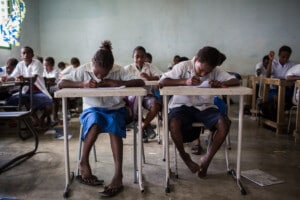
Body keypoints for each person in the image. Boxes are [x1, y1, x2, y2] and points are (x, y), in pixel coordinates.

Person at [58, 40, 144, 197]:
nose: (99, 77)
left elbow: (140, 81)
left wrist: (117, 82)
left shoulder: (118, 70)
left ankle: (118, 175)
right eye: (97, 73)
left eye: (104, 74)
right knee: (95, 121)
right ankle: (83, 162)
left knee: (114, 124)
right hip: (92, 109)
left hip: (115, 109)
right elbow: (61, 83)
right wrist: (83, 84)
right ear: (92, 64)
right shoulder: (84, 69)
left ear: (111, 67)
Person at [159, 46, 240, 178]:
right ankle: (184, 156)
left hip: (205, 107)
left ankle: (207, 159)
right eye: (201, 70)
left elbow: (235, 80)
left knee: (224, 123)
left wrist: (220, 83)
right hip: (182, 106)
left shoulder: (215, 71)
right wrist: (185, 81)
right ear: (196, 59)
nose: (203, 74)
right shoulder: (183, 66)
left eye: (207, 72)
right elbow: (163, 81)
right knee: (173, 123)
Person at [6, 47, 53, 128]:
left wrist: (22, 78)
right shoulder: (20, 64)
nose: (26, 55)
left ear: (33, 54)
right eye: (24, 53)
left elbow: (34, 78)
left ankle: (41, 119)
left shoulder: (37, 63)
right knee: (9, 103)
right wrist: (6, 79)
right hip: (25, 91)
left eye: (28, 53)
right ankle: (34, 120)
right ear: (21, 55)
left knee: (49, 107)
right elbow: (13, 77)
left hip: (38, 90)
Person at [124, 46, 162, 142]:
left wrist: (149, 78)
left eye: (142, 56)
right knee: (133, 107)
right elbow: (121, 81)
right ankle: (147, 127)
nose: (140, 59)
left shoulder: (149, 66)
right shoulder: (127, 68)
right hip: (132, 97)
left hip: (147, 95)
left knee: (156, 106)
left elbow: (161, 77)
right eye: (137, 57)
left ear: (145, 57)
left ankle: (142, 127)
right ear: (132, 57)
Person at [261, 46, 295, 120]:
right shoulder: (273, 63)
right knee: (276, 98)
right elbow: (267, 75)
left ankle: (276, 119)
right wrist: (270, 61)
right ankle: (275, 119)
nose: (285, 59)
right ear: (279, 55)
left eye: (287, 57)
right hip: (273, 90)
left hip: (287, 90)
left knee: (279, 100)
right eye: (283, 57)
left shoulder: (291, 65)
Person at [43, 56, 61, 124]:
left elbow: (53, 80)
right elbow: (44, 80)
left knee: (54, 99)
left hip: (54, 89)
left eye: (47, 65)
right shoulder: (43, 71)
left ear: (52, 65)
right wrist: (46, 80)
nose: (45, 67)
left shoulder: (55, 71)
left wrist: (45, 79)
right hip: (46, 89)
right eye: (44, 65)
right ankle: (45, 118)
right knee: (47, 102)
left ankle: (55, 117)